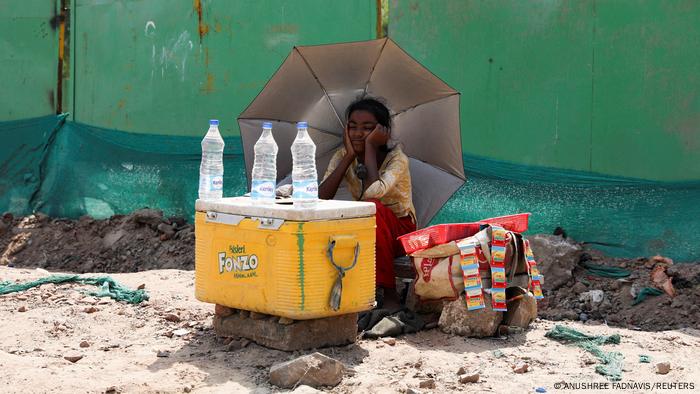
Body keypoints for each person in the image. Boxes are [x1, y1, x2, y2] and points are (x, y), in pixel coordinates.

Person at [319, 97, 416, 308]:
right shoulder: (343, 155)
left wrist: (370, 147)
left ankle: (390, 296)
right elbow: (321, 197)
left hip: (400, 232)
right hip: (367, 226)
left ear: (382, 132)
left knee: (374, 208)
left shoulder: (397, 159)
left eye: (367, 128)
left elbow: (374, 193)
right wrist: (349, 157)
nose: (357, 133)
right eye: (352, 127)